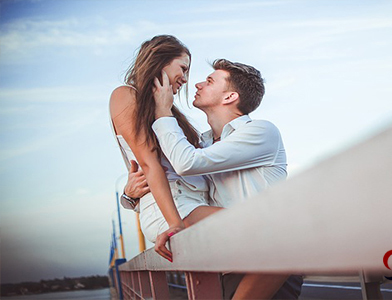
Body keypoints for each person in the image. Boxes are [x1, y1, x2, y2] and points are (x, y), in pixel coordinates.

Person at [125, 59, 303, 299]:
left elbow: (187, 163)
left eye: (209, 81)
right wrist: (131, 196)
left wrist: (163, 112)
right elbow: (181, 189)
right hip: (227, 262)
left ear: (229, 97)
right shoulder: (203, 145)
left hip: (270, 263)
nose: (197, 83)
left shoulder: (260, 132)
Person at [109, 35, 212, 256]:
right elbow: (149, 163)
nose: (185, 78)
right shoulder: (125, 95)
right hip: (172, 210)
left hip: (192, 203)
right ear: (160, 60)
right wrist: (175, 225)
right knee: (259, 227)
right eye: (183, 68)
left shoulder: (166, 110)